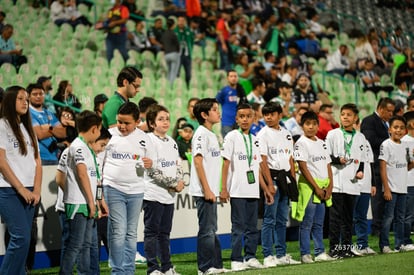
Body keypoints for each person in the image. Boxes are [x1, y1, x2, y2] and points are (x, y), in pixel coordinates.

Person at [102, 102, 155, 273]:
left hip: (136, 191)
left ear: (137, 121)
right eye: (119, 122)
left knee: (131, 233)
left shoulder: (145, 138)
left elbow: (151, 163)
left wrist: (149, 163)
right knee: (118, 231)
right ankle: (117, 271)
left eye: (127, 123)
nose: (122, 126)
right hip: (113, 188)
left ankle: (128, 270)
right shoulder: (109, 135)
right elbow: (99, 161)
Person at [220, 103, 272, 271]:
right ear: (236, 119)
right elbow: (226, 164)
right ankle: (236, 259)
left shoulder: (255, 140)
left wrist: (265, 189)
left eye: (248, 116)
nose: (245, 119)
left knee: (252, 227)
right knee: (238, 227)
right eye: (241, 116)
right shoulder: (231, 136)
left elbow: (256, 168)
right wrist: (224, 188)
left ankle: (250, 257)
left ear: (254, 119)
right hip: (236, 190)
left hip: (253, 191)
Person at [55, 128, 111, 273]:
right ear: (93, 137)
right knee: (73, 245)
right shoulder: (72, 150)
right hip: (72, 206)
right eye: (102, 144)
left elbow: (96, 181)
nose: (102, 149)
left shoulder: (94, 155)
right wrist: (75, 196)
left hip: (88, 206)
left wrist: (99, 200)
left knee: (88, 245)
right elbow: (59, 179)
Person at [0, 86, 42, 275]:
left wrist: (37, 190)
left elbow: (37, 163)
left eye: (26, 99)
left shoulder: (27, 128)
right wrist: (21, 189)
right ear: (10, 101)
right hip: (8, 190)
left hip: (31, 190)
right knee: (21, 238)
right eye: (20, 99)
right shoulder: (1, 125)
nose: (25, 102)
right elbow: (1, 162)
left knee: (26, 241)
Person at [256, 102, 300, 267]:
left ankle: (281, 254)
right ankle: (268, 255)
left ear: (279, 115)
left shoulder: (287, 134)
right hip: (273, 178)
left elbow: (290, 159)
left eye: (272, 114)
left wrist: (293, 182)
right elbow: (263, 161)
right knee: (269, 219)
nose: (268, 117)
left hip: (286, 179)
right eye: (265, 114)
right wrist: (268, 184)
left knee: (282, 219)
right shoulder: (262, 134)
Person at [144, 104, 185, 275]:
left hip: (169, 195)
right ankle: (153, 268)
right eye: (160, 119)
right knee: (152, 232)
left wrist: (180, 179)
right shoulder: (148, 140)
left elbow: (178, 164)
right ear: (152, 123)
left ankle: (167, 267)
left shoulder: (172, 142)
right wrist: (172, 184)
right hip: (153, 193)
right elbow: (151, 169)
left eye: (167, 118)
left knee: (165, 233)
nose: (165, 122)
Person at [292, 111, 335, 264]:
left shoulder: (322, 142)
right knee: (307, 222)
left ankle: (320, 251)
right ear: (302, 126)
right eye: (307, 124)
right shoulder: (301, 143)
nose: (311, 127)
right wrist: (316, 187)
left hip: (323, 187)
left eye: (314, 124)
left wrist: (330, 185)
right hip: (310, 188)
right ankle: (305, 254)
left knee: (319, 222)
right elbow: (303, 167)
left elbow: (327, 164)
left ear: (318, 125)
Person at [188, 98, 225, 274]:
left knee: (212, 228)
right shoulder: (201, 134)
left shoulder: (211, 134)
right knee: (207, 230)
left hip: (211, 190)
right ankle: (204, 267)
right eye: (215, 109)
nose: (218, 112)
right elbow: (197, 161)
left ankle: (217, 265)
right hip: (204, 191)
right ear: (204, 115)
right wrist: (207, 189)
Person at [325, 103, 366, 258]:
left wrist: (361, 170)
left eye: (349, 115)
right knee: (335, 218)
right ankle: (334, 249)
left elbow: (361, 159)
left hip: (353, 182)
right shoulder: (333, 134)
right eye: (343, 114)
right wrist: (337, 160)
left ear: (355, 118)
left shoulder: (360, 137)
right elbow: (326, 156)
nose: (345, 117)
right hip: (336, 182)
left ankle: (346, 248)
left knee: (349, 219)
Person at [378, 115, 414, 253]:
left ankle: (399, 245)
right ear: (389, 129)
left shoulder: (405, 146)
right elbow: (382, 167)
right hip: (391, 188)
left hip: (403, 188)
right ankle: (384, 245)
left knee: (400, 217)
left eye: (401, 128)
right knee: (388, 218)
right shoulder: (386, 145)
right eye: (395, 127)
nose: (398, 130)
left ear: (405, 130)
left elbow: (407, 167)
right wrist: (386, 189)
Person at [360, 97, 395, 236]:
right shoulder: (369, 121)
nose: (391, 114)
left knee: (385, 198)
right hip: (375, 165)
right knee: (378, 199)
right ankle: (376, 228)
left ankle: (384, 227)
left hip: (386, 165)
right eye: (389, 111)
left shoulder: (385, 123)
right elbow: (370, 140)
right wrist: (391, 141)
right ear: (381, 109)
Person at [352, 122, 377, 256]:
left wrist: (373, 184)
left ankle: (362, 245)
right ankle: (345, 246)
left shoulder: (366, 142)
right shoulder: (346, 141)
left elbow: (371, 164)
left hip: (366, 185)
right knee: (349, 217)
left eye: (357, 123)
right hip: (352, 184)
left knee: (361, 216)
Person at [28, 83, 66, 165]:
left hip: (54, 156)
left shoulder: (49, 113)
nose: (38, 96)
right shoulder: (28, 114)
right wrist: (55, 131)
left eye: (41, 94)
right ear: (28, 96)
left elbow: (63, 133)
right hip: (39, 158)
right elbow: (40, 134)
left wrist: (50, 128)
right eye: (35, 94)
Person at [401, 111, 414, 249]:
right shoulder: (404, 142)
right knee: (408, 215)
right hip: (408, 182)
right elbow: (404, 166)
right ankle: (405, 241)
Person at [216, 70, 239, 139]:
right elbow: (216, 103)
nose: (233, 78)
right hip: (227, 122)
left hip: (238, 122)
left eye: (235, 76)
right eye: (231, 76)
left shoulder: (240, 91)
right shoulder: (224, 91)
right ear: (227, 78)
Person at [175, 16, 195, 89]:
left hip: (187, 55)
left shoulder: (189, 31)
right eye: (179, 21)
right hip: (177, 55)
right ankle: (177, 86)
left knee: (188, 74)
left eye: (182, 21)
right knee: (177, 72)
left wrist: (190, 50)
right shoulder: (174, 31)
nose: (181, 22)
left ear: (185, 22)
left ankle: (187, 87)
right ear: (177, 22)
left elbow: (192, 41)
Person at [161, 18, 180, 87]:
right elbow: (177, 44)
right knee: (173, 72)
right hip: (174, 54)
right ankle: (171, 86)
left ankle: (167, 85)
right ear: (173, 25)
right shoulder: (173, 33)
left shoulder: (164, 33)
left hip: (166, 54)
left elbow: (162, 43)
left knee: (169, 71)